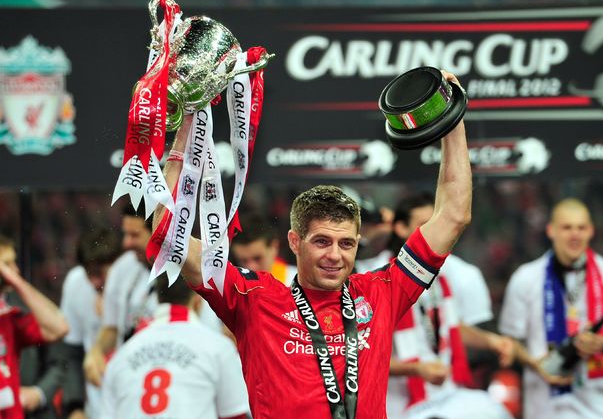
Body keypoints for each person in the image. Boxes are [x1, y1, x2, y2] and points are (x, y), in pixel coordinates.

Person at [154, 70, 473, 418]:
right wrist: (186, 127)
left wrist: (451, 116)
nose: (335, 255)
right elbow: (170, 237)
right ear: (295, 241)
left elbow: (453, 215)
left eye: (346, 244)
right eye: (322, 241)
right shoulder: (254, 300)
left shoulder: (381, 293)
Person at [356, 193, 514, 419]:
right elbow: (358, 353)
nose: (433, 233)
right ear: (400, 228)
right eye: (423, 226)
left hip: (445, 394)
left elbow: (448, 325)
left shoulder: (441, 273)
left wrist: (491, 341)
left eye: (435, 224)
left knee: (496, 412)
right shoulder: (373, 276)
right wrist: (416, 369)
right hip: (398, 403)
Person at [498, 198, 603, 419]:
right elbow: (509, 340)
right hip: (545, 405)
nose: (574, 235)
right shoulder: (525, 278)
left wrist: (602, 343)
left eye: (581, 228)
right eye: (567, 228)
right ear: (551, 230)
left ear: (591, 231)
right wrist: (535, 364)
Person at [84, 206, 224, 387]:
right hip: (132, 377)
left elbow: (208, 335)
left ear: (158, 232)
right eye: (125, 234)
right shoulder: (122, 268)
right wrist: (96, 351)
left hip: (179, 378)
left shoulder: (191, 271)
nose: (126, 243)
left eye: (134, 235)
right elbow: (111, 329)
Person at [100, 275, 249, 419]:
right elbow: (234, 415)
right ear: (198, 301)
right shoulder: (218, 348)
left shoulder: (121, 356)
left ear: (157, 298)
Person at [0, 228, 66, 419]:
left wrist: (38, 393)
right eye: (7, 265)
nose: (15, 271)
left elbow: (60, 330)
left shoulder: (17, 312)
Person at [59, 229, 121, 419]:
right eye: (89, 273)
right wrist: (75, 406)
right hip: (96, 406)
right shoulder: (75, 283)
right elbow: (71, 351)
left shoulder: (133, 286)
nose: (94, 282)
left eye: (99, 273)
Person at [230, 211, 296, 285]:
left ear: (275, 247)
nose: (251, 268)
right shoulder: (229, 288)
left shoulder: (301, 284)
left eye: (257, 258)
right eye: (243, 260)